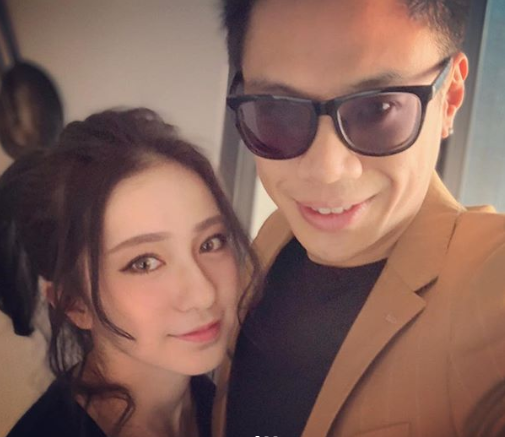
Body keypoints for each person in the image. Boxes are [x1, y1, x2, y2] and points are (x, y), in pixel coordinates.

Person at [214, 1, 505, 436]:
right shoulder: (277, 234)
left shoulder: (491, 285)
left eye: (378, 109)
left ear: (449, 99)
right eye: (277, 110)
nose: (326, 170)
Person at [0, 108, 259, 437]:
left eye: (211, 242)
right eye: (144, 263)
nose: (204, 294)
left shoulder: (226, 409)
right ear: (74, 303)